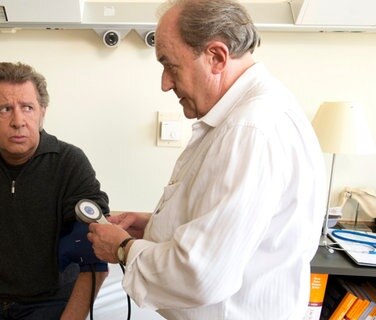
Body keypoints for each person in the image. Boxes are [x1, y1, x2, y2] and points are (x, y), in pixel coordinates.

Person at [87, 0, 326, 319]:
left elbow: (202, 275)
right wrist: (156, 227)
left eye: (170, 65)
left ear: (216, 57)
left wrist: (121, 249)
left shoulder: (249, 130)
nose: (165, 84)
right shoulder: (251, 115)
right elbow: (225, 226)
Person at [0, 61, 110, 320]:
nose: (18, 121)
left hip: (51, 301)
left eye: (27, 108)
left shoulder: (70, 164)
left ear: (42, 112)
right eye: (5, 109)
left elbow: (95, 262)